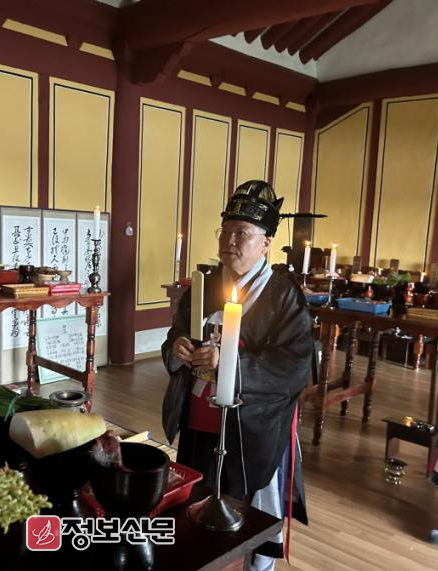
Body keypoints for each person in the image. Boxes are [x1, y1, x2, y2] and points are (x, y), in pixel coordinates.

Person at [161, 180, 312, 570]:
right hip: (199, 416)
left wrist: (230, 362)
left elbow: (295, 366)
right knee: (197, 498)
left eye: (241, 233)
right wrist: (177, 346)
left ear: (266, 244)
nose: (229, 241)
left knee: (248, 511)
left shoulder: (283, 295)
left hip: (252, 423)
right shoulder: (205, 284)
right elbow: (177, 332)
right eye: (225, 232)